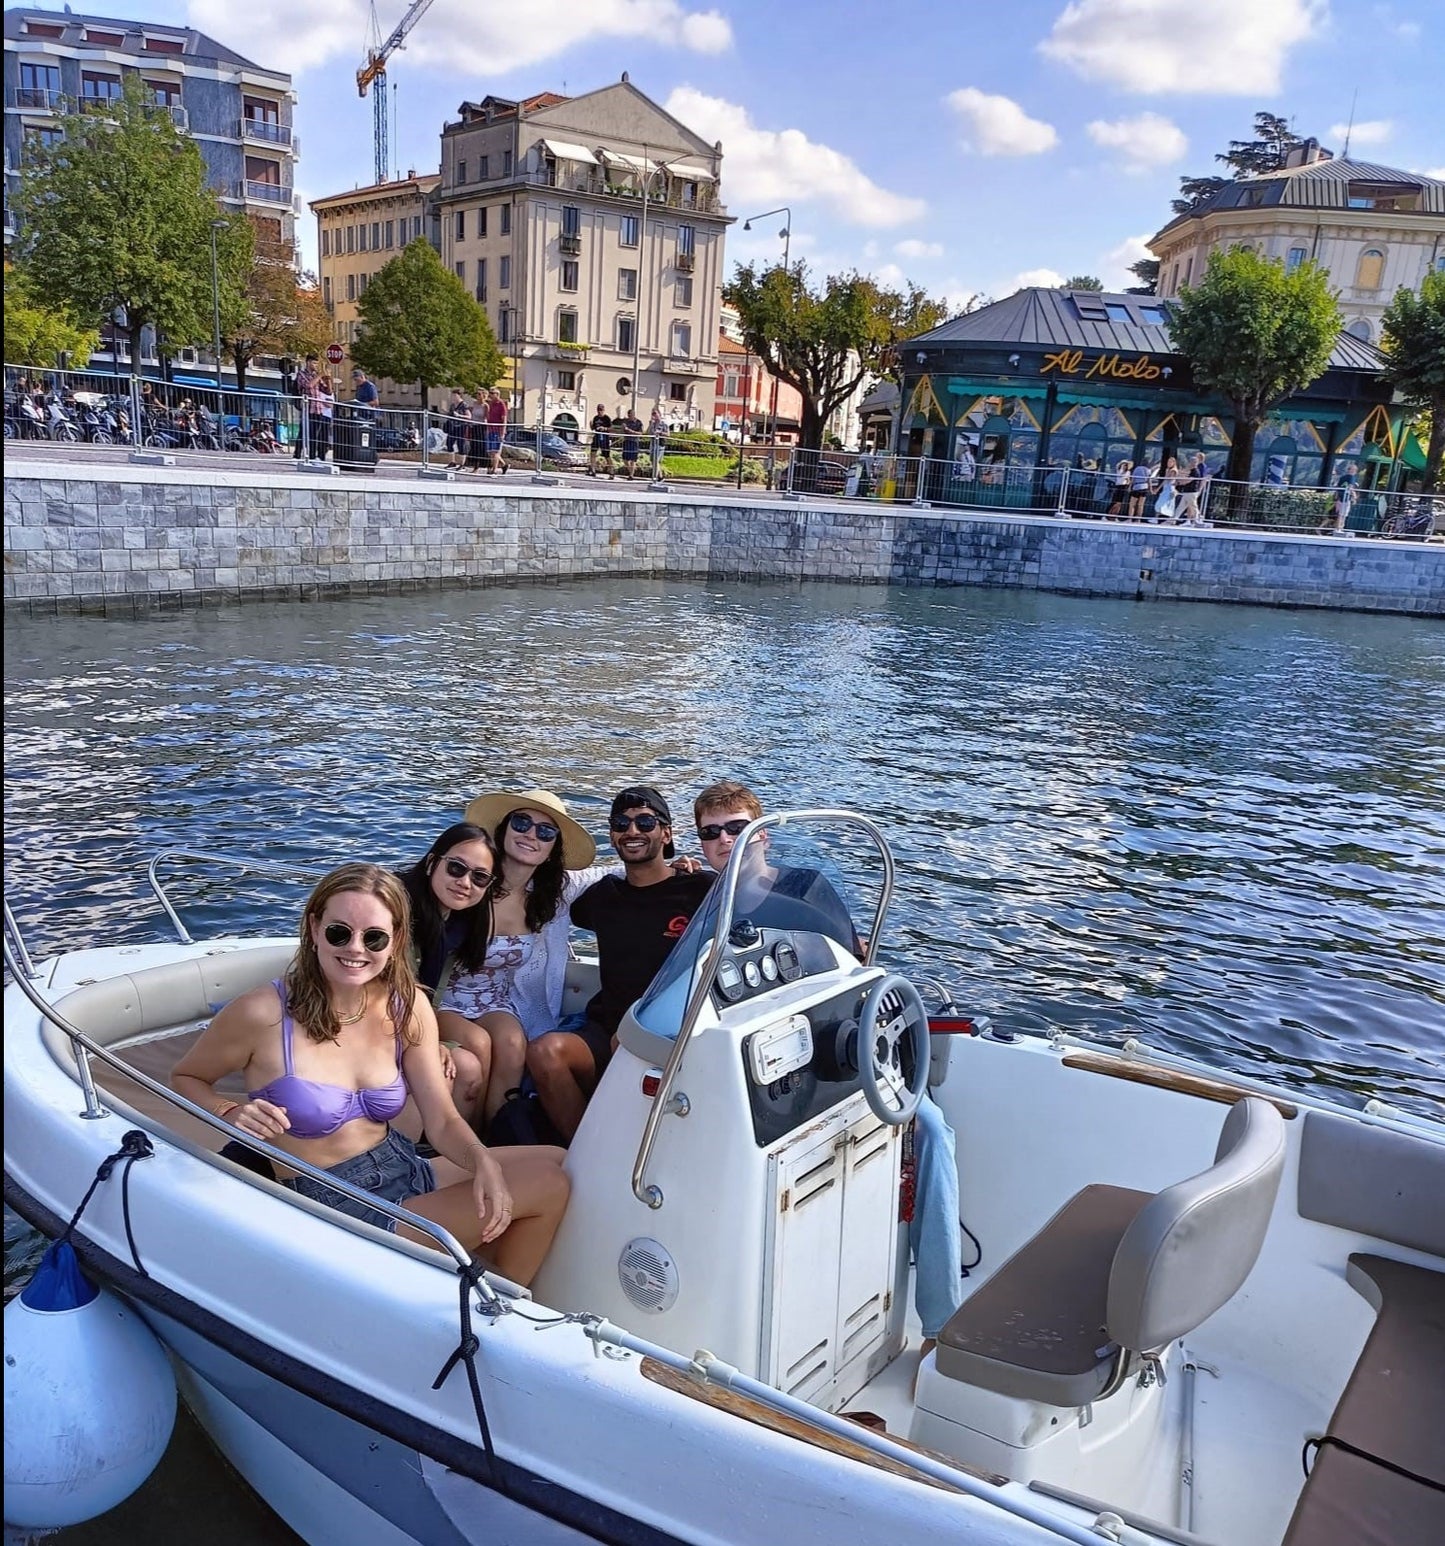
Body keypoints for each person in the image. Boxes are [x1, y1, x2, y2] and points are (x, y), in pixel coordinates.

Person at [171, 863, 569, 1284]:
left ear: (396, 939)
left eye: (374, 937)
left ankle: (475, 1277)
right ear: (314, 926)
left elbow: (442, 1118)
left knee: (561, 1161)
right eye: (339, 933)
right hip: (336, 1199)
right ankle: (499, 1305)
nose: (356, 949)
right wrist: (228, 1111)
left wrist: (481, 1160)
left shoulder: (406, 1004)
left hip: (400, 1164)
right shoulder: (262, 1013)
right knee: (547, 1184)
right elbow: (187, 1077)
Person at [691, 780, 965, 1361]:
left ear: (760, 834)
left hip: (838, 1042)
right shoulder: (701, 904)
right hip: (765, 1056)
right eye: (711, 833)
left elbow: (856, 969)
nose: (723, 841)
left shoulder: (806, 891)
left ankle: (941, 1327)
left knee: (934, 1132)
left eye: (735, 829)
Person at [527, 786, 713, 1140]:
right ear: (612, 834)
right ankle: (582, 1151)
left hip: (668, 1031)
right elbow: (547, 894)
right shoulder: (602, 896)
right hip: (608, 1025)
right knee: (544, 1053)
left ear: (666, 833)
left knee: (626, 1052)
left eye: (646, 822)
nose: (632, 831)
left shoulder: (700, 890)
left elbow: (757, 914)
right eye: (621, 823)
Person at [436, 790, 611, 1126]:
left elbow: (606, 875)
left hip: (497, 1002)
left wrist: (672, 867)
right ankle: (461, 1145)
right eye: (522, 822)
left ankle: (499, 1134)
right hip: (444, 1000)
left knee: (513, 1042)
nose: (531, 834)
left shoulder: (550, 893)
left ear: (551, 850)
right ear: (503, 830)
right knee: (477, 1044)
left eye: (546, 832)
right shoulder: (471, 880)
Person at [396, 822, 501, 1129]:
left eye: (479, 877)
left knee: (470, 1067)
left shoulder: (456, 923)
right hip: (376, 1026)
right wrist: (427, 1044)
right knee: (463, 1068)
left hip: (412, 1021)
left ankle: (449, 1152)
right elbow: (390, 994)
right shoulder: (397, 911)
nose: (465, 882)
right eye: (456, 868)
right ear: (432, 863)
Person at [293, 355, 319, 459]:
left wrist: (328, 379)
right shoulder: (301, 374)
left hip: (317, 408)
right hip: (307, 407)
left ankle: (313, 456)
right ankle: (297, 454)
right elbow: (309, 385)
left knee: (314, 434)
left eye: (317, 363)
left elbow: (327, 390)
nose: (316, 365)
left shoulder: (316, 375)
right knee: (303, 432)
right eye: (314, 363)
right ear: (308, 362)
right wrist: (320, 376)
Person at [311, 374, 335, 462]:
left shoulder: (330, 393)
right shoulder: (319, 392)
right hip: (319, 414)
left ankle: (322, 455)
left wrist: (322, 402)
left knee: (324, 436)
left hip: (327, 416)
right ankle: (317, 455)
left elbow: (330, 405)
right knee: (318, 436)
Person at [1326, 468, 1358, 534]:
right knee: (1343, 514)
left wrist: (1336, 497)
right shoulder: (1351, 477)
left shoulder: (1342, 477)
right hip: (1345, 498)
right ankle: (1339, 528)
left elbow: (1338, 487)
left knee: (1340, 514)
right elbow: (1350, 487)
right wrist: (1354, 497)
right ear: (1353, 471)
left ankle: (1337, 528)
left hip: (1340, 498)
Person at [485, 388, 508, 475]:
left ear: (497, 394)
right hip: (490, 429)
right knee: (490, 451)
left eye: (492, 393)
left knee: (495, 451)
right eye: (490, 393)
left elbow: (504, 419)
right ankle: (504, 464)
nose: (490, 395)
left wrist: (502, 432)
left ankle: (494, 470)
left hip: (497, 431)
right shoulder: (491, 404)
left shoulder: (501, 404)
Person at [445, 390, 471, 467]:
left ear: (459, 396)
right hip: (452, 427)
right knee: (449, 443)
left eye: (455, 395)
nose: (453, 397)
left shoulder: (464, 405)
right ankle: (452, 462)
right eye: (452, 395)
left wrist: (459, 416)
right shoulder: (452, 405)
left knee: (461, 445)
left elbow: (469, 416)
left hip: (461, 427)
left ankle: (462, 464)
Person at [463, 394, 488, 473]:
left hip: (481, 427)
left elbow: (486, 417)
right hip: (474, 426)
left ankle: (486, 465)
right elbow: (471, 413)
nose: (478, 396)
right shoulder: (474, 404)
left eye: (480, 395)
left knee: (481, 447)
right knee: (474, 446)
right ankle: (475, 466)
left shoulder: (485, 406)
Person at [589, 406, 614, 477]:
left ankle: (611, 470)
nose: (600, 411)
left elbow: (611, 428)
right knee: (593, 453)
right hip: (596, 437)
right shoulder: (596, 418)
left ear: (603, 410)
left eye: (601, 410)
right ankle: (593, 470)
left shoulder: (607, 418)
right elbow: (593, 428)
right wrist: (591, 425)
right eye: (598, 410)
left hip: (604, 438)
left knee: (606, 455)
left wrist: (604, 428)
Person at [619, 406, 643, 480]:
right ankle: (631, 471)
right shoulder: (626, 422)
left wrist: (631, 431)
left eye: (631, 415)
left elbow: (640, 433)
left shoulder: (638, 422)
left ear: (633, 414)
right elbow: (622, 431)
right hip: (627, 441)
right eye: (629, 415)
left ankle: (631, 475)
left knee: (633, 459)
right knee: (625, 459)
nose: (630, 417)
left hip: (634, 442)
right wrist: (623, 428)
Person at [648, 404, 666, 478]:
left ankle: (654, 477)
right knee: (653, 460)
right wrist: (650, 424)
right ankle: (660, 476)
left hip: (660, 444)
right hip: (653, 443)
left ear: (659, 414)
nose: (654, 415)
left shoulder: (663, 424)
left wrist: (660, 433)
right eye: (653, 414)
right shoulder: (653, 424)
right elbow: (648, 432)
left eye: (655, 413)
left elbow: (668, 434)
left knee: (656, 461)